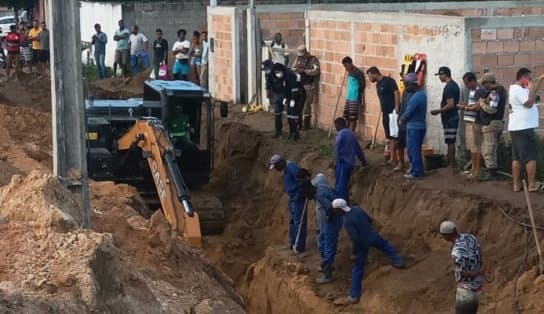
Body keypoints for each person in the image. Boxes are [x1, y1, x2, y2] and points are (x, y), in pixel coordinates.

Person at [332, 199, 404, 305]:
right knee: (386, 246)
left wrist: (354, 253)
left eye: (335, 210)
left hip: (362, 244)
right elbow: (369, 220)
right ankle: (398, 261)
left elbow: (355, 239)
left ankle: (354, 296)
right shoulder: (357, 209)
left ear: (339, 209)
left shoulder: (347, 221)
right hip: (373, 236)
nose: (334, 212)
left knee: (357, 269)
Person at [300, 173, 342, 283]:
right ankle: (328, 266)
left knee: (329, 245)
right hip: (338, 215)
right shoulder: (321, 186)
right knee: (328, 243)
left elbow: (330, 208)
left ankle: (327, 275)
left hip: (335, 219)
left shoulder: (319, 195)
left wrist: (328, 220)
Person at [508, 68, 544, 192]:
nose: (530, 80)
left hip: (517, 128)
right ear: (522, 78)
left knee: (517, 158)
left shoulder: (517, 89)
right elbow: (528, 103)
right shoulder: (518, 90)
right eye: (528, 78)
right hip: (524, 128)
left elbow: (533, 89)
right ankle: (532, 184)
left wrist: (540, 79)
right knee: (530, 157)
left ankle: (516, 185)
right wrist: (532, 89)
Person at [440, 221, 483, 314]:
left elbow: (463, 273)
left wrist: (476, 273)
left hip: (466, 289)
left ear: (446, 235)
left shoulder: (456, 252)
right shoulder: (470, 237)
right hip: (478, 285)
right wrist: (479, 269)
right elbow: (479, 251)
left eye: (443, 235)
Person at [268, 154, 307, 253]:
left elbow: (302, 181)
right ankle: (293, 243)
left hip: (298, 200)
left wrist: (299, 194)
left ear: (280, 162)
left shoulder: (292, 168)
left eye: (276, 166)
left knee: (299, 223)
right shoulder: (285, 169)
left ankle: (299, 246)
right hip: (292, 199)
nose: (276, 169)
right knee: (293, 222)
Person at [367, 66, 400, 167]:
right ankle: (391, 157)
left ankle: (393, 158)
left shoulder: (389, 81)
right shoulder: (378, 85)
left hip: (392, 113)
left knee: (393, 135)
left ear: (374, 73)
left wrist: (397, 108)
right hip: (385, 113)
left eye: (369, 76)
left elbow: (397, 93)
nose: (369, 79)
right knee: (389, 136)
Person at [458, 72, 487, 179]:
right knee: (471, 147)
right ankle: (472, 169)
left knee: (476, 147)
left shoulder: (480, 91)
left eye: (467, 83)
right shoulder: (471, 90)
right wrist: (465, 105)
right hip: (469, 121)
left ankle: (477, 170)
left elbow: (478, 107)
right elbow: (471, 105)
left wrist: (465, 108)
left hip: (476, 122)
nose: (466, 86)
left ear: (472, 81)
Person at [399, 73, 427, 179]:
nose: (405, 87)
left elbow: (409, 111)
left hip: (415, 127)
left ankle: (417, 172)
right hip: (415, 126)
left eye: (407, 85)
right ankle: (415, 168)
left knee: (414, 150)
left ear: (413, 84)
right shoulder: (419, 94)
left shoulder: (416, 97)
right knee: (412, 149)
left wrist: (402, 119)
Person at [432, 66, 460, 168]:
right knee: (450, 140)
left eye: (440, 75)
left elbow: (450, 104)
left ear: (444, 75)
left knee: (450, 141)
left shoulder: (449, 87)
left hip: (450, 118)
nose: (439, 77)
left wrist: (438, 111)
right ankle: (451, 162)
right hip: (451, 117)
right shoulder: (453, 85)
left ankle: (451, 163)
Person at [479, 73, 506, 180]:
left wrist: (482, 103)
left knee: (489, 149)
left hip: (491, 123)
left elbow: (492, 109)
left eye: (484, 83)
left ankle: (492, 173)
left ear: (488, 82)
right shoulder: (499, 91)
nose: (483, 86)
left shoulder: (494, 92)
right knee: (491, 148)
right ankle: (491, 171)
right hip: (496, 122)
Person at [334, 117, 367, 202]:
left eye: (336, 126)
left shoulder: (340, 134)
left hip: (342, 163)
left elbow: (337, 146)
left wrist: (337, 160)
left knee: (340, 185)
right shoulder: (352, 134)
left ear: (339, 125)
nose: (336, 128)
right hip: (351, 164)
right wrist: (363, 161)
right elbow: (358, 149)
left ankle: (341, 204)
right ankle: (346, 202)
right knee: (345, 184)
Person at [272, 63, 306, 141]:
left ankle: (295, 134)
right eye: (275, 73)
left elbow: (295, 89)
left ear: (281, 70)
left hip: (299, 95)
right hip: (290, 95)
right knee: (289, 115)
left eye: (278, 72)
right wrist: (286, 98)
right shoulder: (281, 77)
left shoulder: (290, 76)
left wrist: (293, 100)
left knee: (294, 114)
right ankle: (291, 133)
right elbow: (284, 88)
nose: (277, 74)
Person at [292, 45, 320, 130]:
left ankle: (306, 125)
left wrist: (305, 71)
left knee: (306, 105)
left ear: (306, 52)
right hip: (299, 84)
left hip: (308, 85)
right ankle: (299, 124)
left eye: (302, 55)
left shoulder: (313, 60)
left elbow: (316, 71)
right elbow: (293, 67)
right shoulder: (298, 59)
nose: (301, 56)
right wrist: (296, 70)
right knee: (299, 104)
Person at [263, 60, 286, 138]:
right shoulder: (268, 74)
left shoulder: (281, 70)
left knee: (291, 113)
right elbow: (268, 83)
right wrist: (268, 92)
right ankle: (278, 131)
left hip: (286, 93)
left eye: (268, 69)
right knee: (277, 113)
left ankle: (294, 131)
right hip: (277, 94)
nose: (267, 71)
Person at [342, 57, 366, 132]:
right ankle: (346, 132)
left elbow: (362, 85)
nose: (345, 68)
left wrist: (358, 94)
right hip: (348, 98)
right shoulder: (349, 71)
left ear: (350, 63)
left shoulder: (358, 72)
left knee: (352, 118)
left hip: (355, 98)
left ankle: (351, 134)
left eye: (346, 66)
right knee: (346, 117)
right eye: (344, 66)